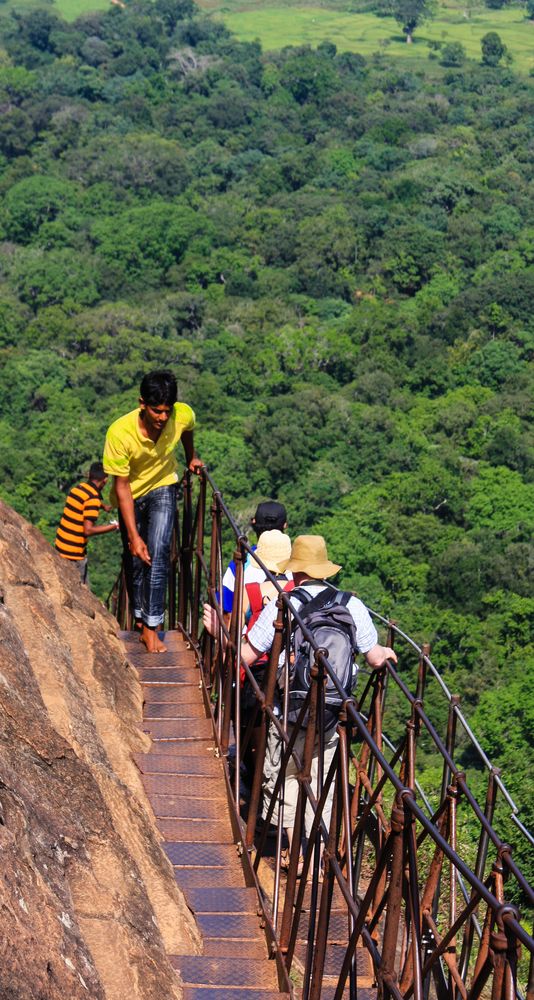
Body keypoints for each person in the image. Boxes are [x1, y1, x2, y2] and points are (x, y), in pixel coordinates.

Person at [235, 535, 397, 869]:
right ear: (324, 570)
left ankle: (290, 849)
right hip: (332, 712)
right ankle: (312, 855)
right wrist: (387, 655)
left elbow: (247, 655)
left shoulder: (283, 602)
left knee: (286, 776)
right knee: (322, 781)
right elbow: (373, 656)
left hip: (287, 711)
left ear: (295, 572)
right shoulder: (351, 604)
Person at [103, 370, 202, 654]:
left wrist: (191, 455)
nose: (162, 418)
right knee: (135, 559)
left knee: (158, 551)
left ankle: (151, 626)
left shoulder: (180, 415)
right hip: (131, 496)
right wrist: (134, 536)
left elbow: (188, 428)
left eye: (166, 412)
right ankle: (138, 615)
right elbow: (121, 487)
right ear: (142, 403)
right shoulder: (120, 433)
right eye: (156, 411)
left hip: (163, 486)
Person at [54, 461, 119, 585]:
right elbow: (88, 530)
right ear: (105, 480)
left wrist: (103, 506)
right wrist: (114, 527)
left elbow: (84, 502)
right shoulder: (93, 499)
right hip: (73, 555)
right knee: (82, 593)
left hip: (60, 546)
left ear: (90, 475)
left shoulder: (78, 489)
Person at [220, 500, 288, 616]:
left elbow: (225, 607)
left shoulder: (241, 562)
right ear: (285, 525)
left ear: (254, 522)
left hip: (247, 632)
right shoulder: (299, 564)